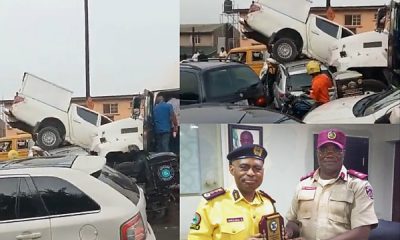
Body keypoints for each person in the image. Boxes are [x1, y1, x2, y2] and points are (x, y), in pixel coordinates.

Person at [285, 129, 378, 240]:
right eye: (324, 150)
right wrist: (289, 232)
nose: (329, 155)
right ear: (317, 153)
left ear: (344, 153)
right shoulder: (303, 185)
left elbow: (362, 233)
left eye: (335, 150)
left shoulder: (358, 186)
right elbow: (293, 221)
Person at [188, 144, 278, 240]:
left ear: (263, 172)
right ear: (232, 170)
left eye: (257, 169)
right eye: (244, 167)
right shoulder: (212, 204)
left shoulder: (268, 204)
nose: (251, 173)